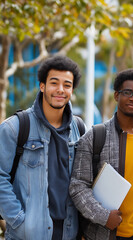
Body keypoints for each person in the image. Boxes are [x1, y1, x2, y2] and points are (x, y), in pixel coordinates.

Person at [69, 69, 133, 240]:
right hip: (100, 233)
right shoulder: (95, 136)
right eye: (127, 92)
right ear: (116, 95)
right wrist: (104, 216)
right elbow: (78, 185)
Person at [0, 55, 84, 239]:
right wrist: (18, 220)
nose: (60, 90)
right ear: (42, 86)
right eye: (54, 83)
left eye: (67, 85)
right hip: (28, 233)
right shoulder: (15, 127)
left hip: (69, 232)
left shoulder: (79, 129)